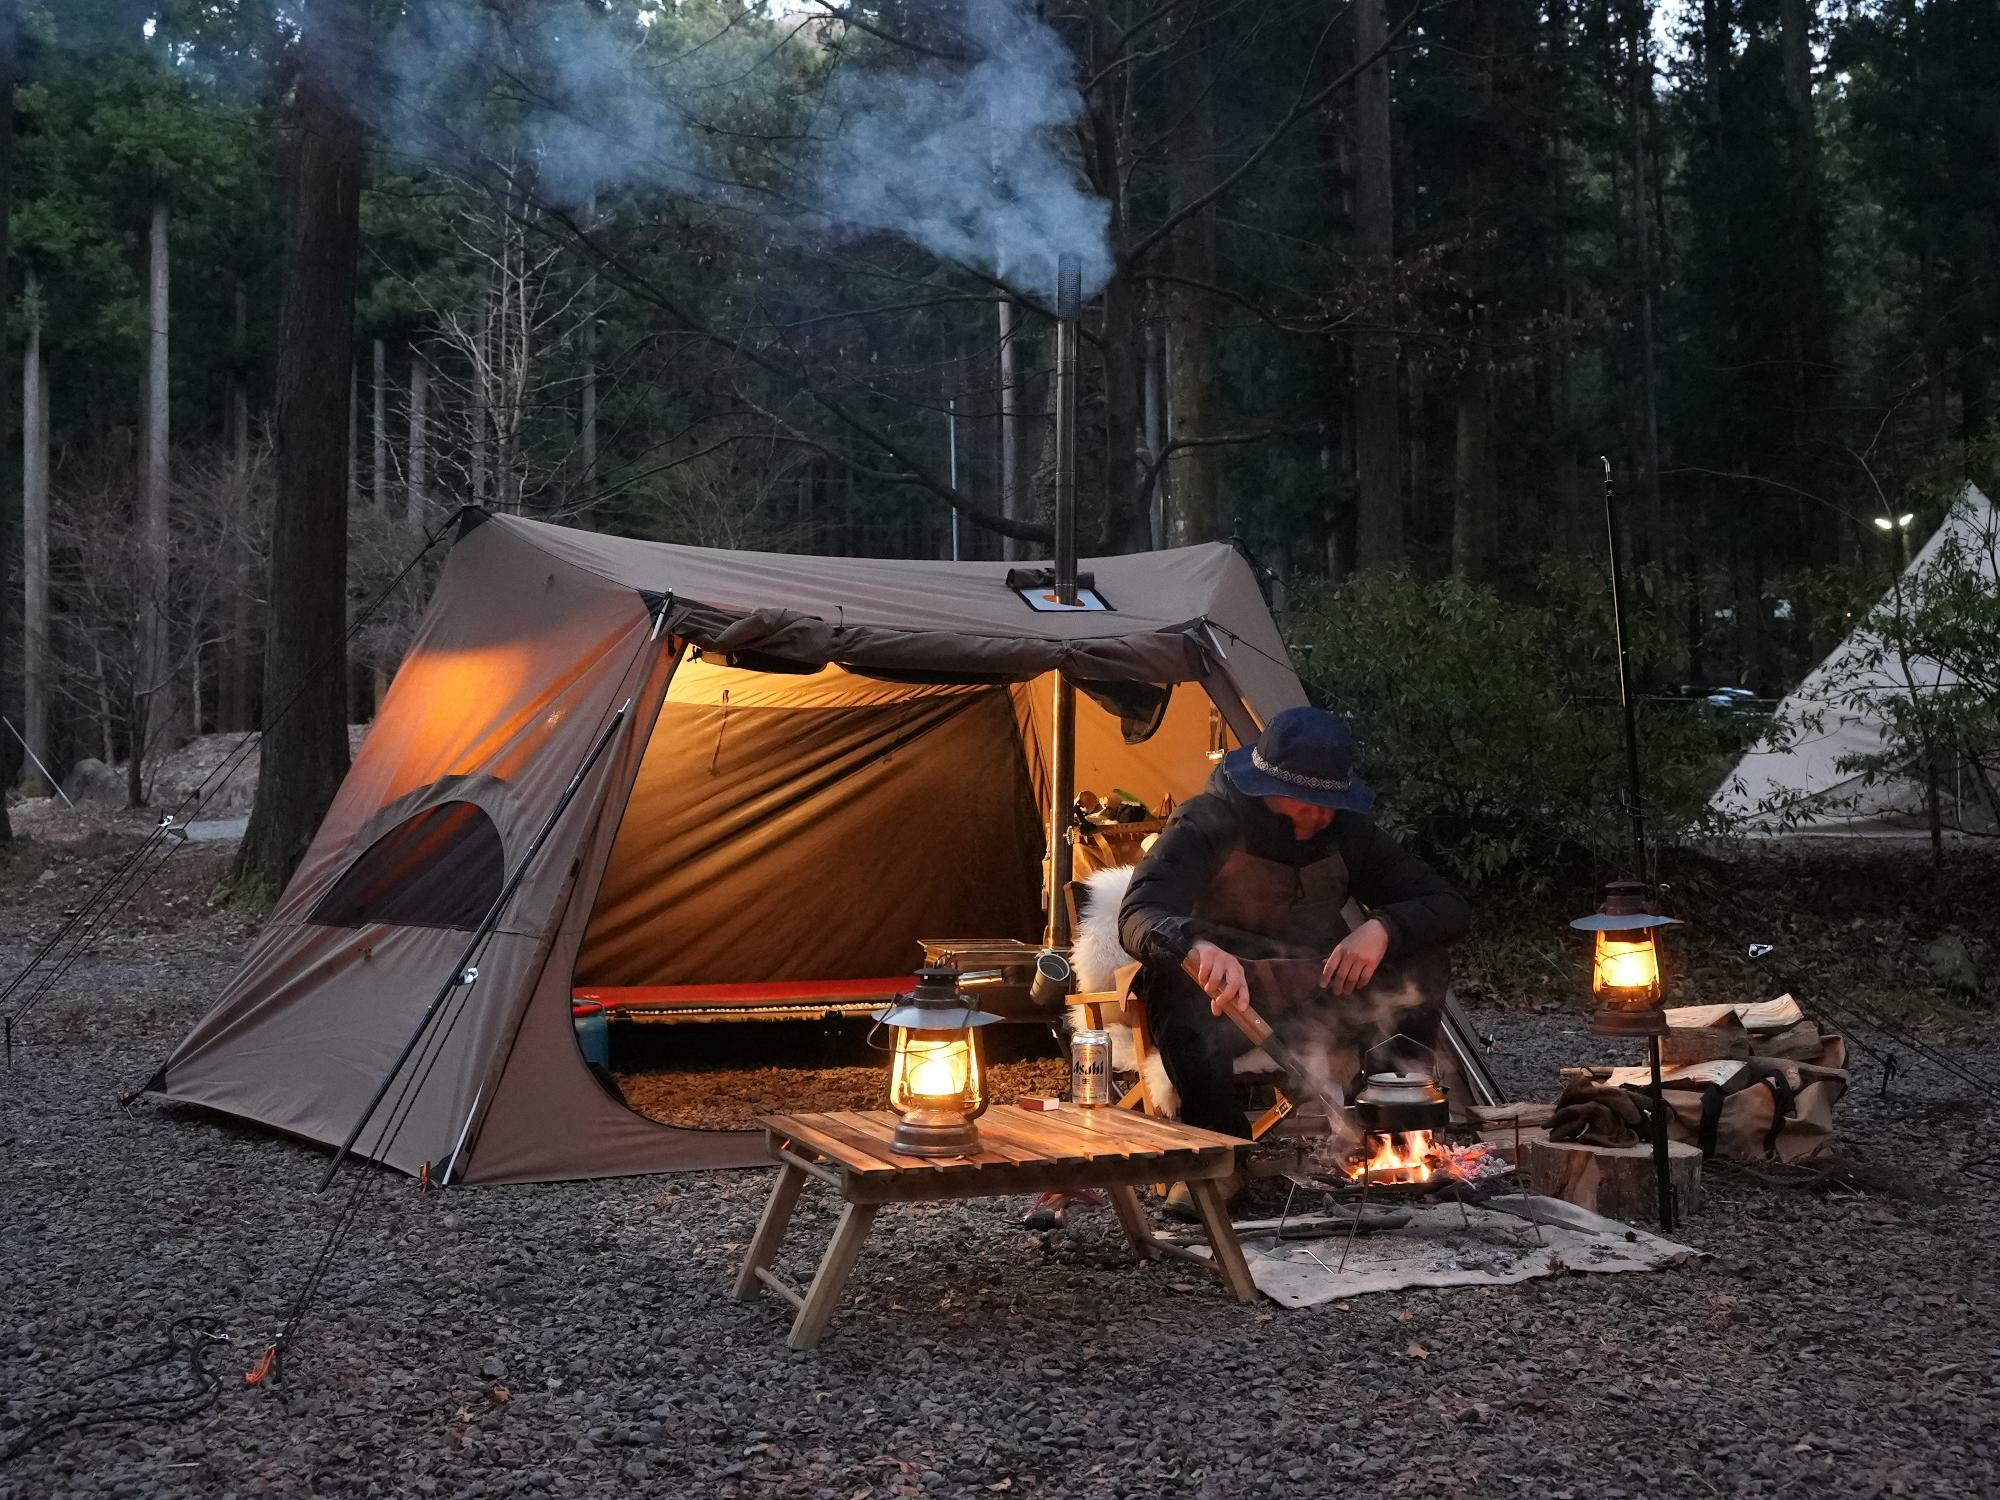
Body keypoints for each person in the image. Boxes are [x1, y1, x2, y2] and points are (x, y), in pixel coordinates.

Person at [1118, 706, 1470, 1144]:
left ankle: (1397, 1129)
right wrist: (1198, 948)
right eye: (1305, 802)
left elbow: (1447, 904)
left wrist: (1383, 926)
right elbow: (1139, 913)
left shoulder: (1349, 831)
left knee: (1422, 960)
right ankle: (1219, 1152)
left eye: (1329, 804)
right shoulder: (1206, 820)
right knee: (1173, 980)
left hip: (1318, 994)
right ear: (1266, 785)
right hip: (1228, 1003)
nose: (1320, 815)